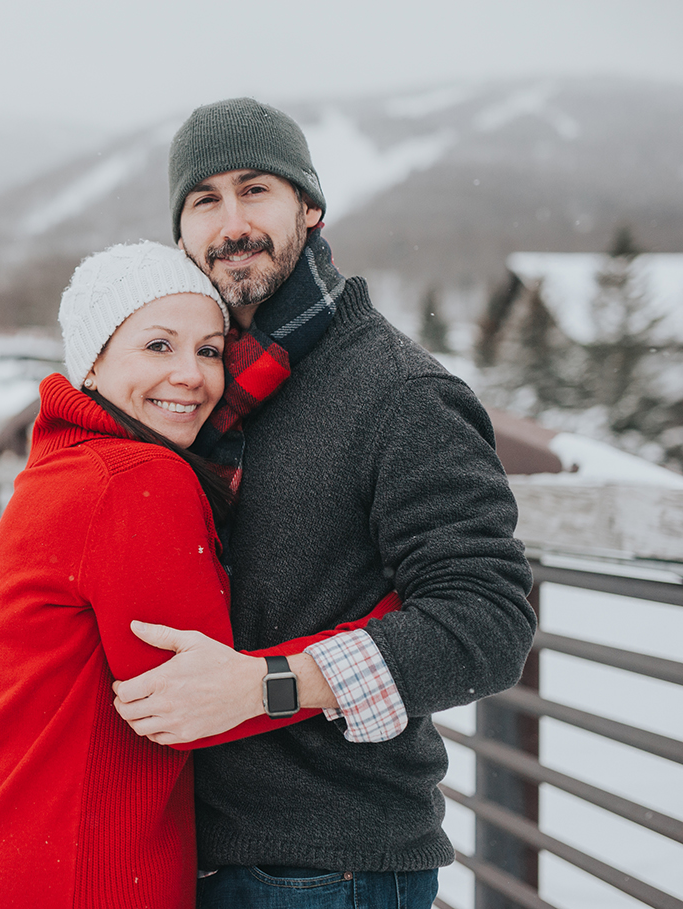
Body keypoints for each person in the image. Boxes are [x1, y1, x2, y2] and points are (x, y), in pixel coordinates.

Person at [109, 99, 536, 908]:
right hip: (189, 845)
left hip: (334, 867)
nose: (232, 222)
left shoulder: (400, 392)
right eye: (205, 200)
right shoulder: (197, 388)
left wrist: (267, 684)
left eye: (255, 190)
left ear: (308, 206)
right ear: (181, 234)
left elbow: (488, 620)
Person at [0, 241, 399, 909]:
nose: (192, 376)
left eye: (208, 351)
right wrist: (388, 616)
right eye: (158, 346)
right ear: (93, 362)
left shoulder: (62, 462)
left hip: (1, 852)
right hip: (75, 877)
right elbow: (192, 705)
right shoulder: (136, 478)